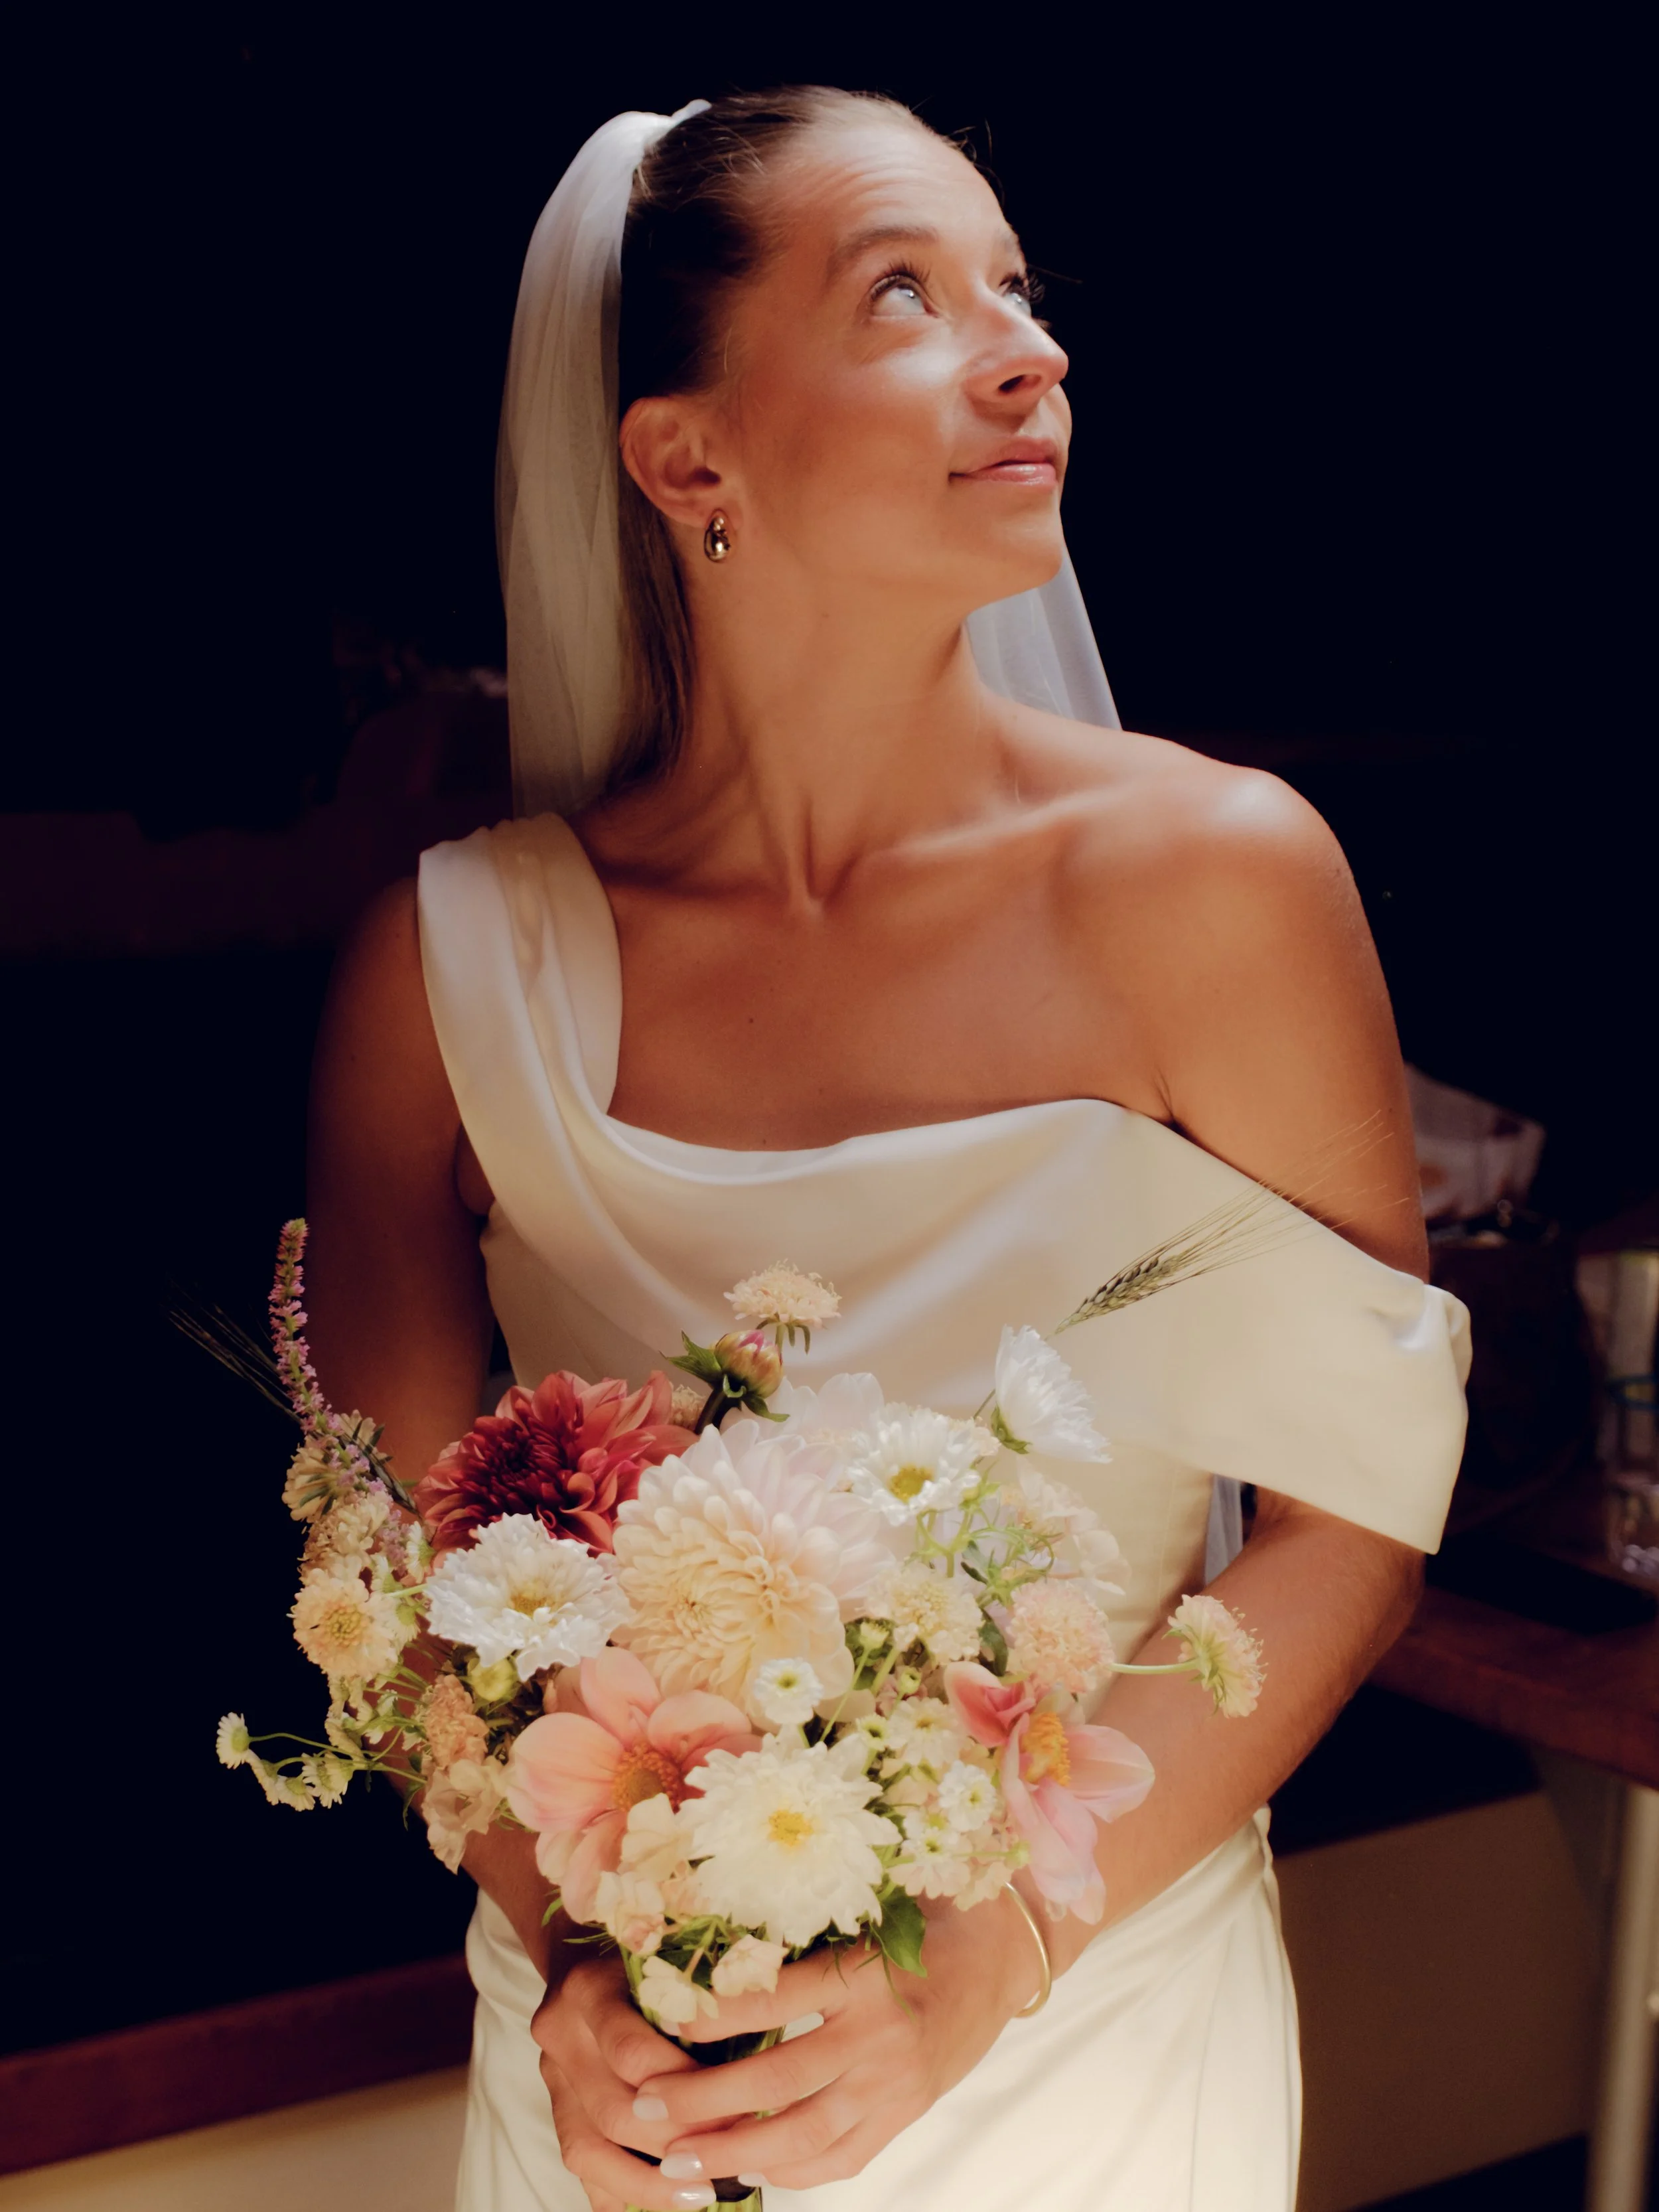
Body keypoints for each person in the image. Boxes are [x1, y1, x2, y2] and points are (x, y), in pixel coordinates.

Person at [304, 88, 1469, 2212]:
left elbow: (1354, 1515)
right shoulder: (445, 972)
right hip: (620, 2083)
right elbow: (391, 1582)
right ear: (685, 458)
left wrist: (992, 1952)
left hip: (1090, 2038)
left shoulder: (1215, 881)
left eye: (1017, 291)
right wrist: (584, 1962)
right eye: (906, 298)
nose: (1024, 352)